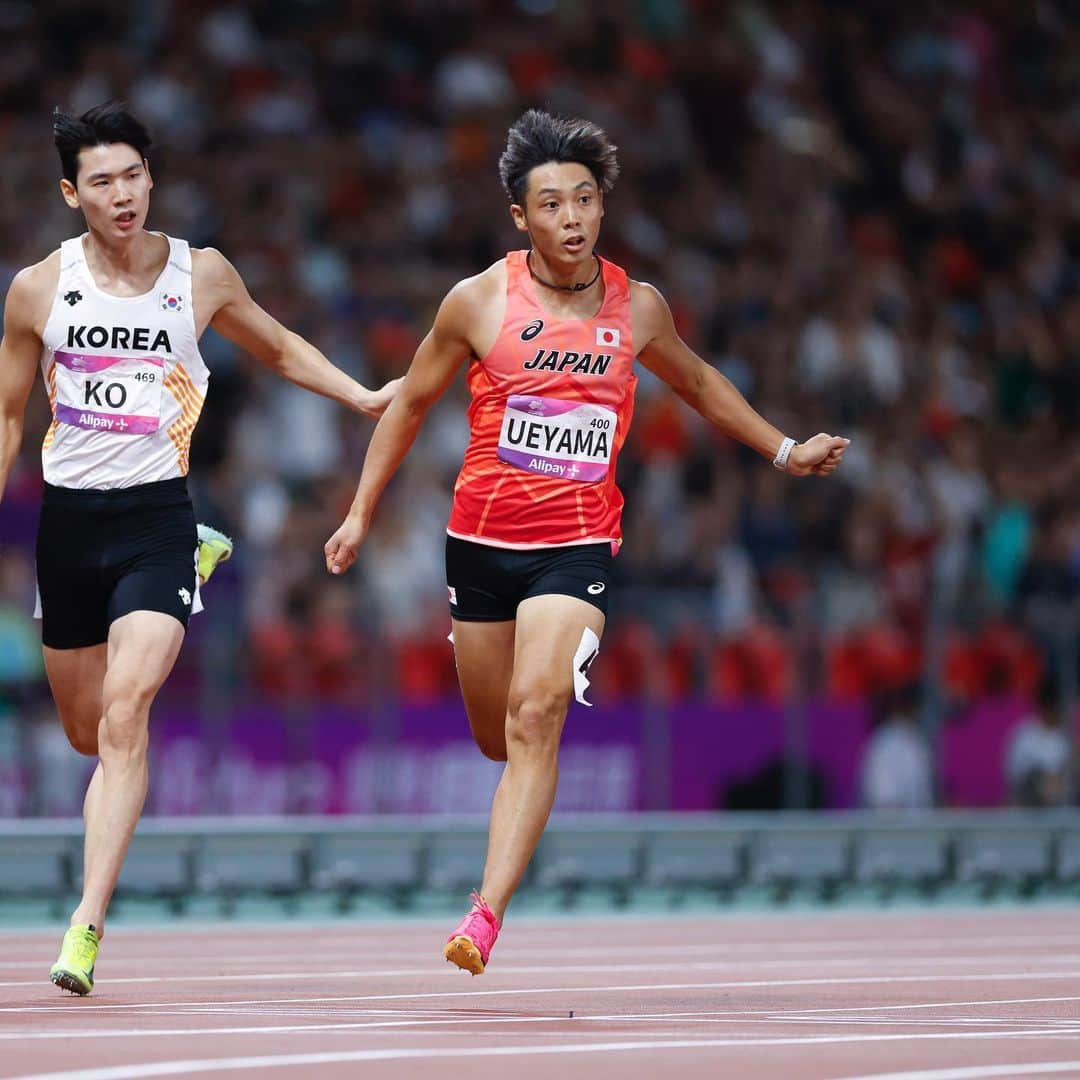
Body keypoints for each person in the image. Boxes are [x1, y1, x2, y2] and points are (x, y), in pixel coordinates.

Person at [324, 110, 849, 974]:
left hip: (577, 548)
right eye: (552, 204)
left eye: (585, 200)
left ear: (602, 208)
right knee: (497, 737)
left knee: (537, 714)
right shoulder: (477, 302)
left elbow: (701, 381)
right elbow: (411, 405)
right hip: (479, 543)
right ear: (519, 218)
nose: (571, 218)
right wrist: (359, 512)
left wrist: (785, 450)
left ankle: (483, 916)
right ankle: (503, 774)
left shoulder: (636, 306)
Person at [0, 102, 399, 995]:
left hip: (156, 519)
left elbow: (283, 347)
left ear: (151, 178)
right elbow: (7, 418)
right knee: (81, 731)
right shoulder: (37, 288)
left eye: (133, 174)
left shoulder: (201, 274)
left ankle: (85, 923)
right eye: (101, 181)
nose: (122, 193)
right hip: (68, 526)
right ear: (73, 194)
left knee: (124, 717)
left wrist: (362, 395)